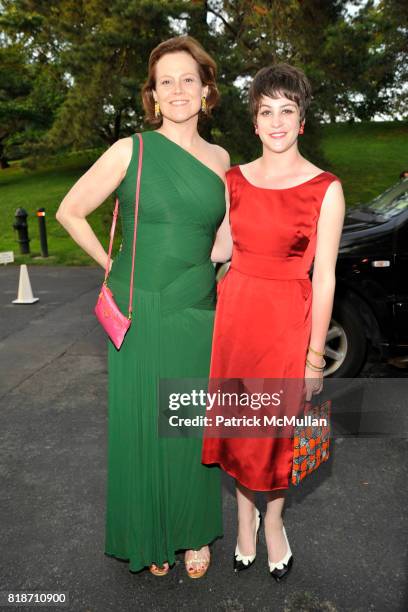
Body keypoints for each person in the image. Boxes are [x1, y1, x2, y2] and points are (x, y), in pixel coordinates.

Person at [56, 35, 229, 578]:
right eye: (165, 81)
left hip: (199, 306)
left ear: (206, 90)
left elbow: (223, 238)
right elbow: (71, 211)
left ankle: (194, 533)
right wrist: (112, 267)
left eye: (187, 79)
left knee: (187, 424)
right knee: (146, 427)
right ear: (153, 95)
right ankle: (151, 534)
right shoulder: (130, 149)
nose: (177, 90)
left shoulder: (223, 158)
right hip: (143, 307)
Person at [202, 63, 345, 580]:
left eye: (288, 110)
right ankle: (244, 518)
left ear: (302, 120)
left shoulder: (326, 188)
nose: (278, 121)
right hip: (237, 317)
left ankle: (275, 522)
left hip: (289, 322)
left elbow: (326, 278)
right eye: (268, 111)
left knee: (280, 432)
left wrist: (314, 359)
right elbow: (219, 247)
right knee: (242, 426)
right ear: (255, 123)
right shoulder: (233, 181)